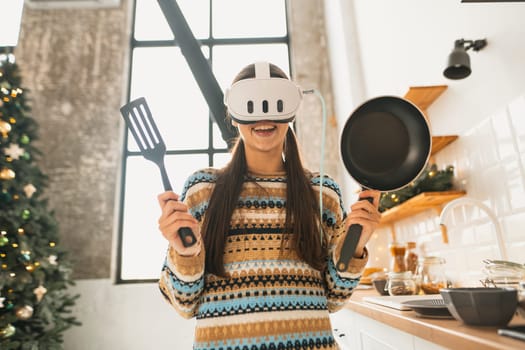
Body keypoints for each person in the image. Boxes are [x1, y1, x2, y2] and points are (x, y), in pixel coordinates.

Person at [157, 62, 381, 350]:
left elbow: (334, 298)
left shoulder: (323, 193)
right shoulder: (202, 191)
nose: (263, 116)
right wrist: (185, 253)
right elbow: (185, 305)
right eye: (249, 105)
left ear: (292, 108)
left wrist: (356, 243)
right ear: (233, 114)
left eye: (276, 103)